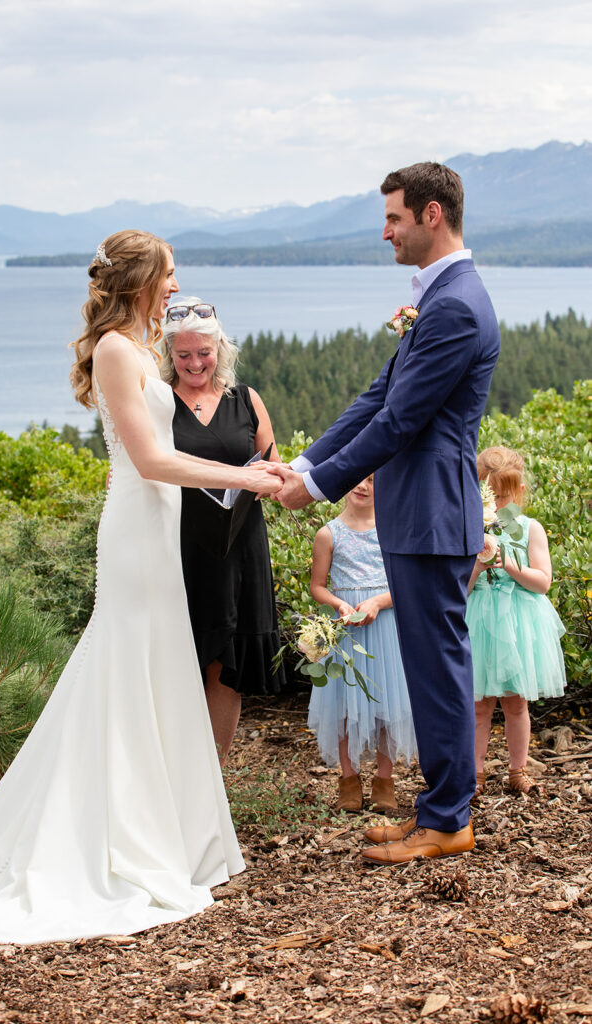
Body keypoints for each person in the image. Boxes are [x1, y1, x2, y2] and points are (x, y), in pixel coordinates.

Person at [0, 230, 280, 946]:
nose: (174, 287)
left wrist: (260, 468)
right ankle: (114, 832)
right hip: (138, 533)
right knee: (125, 664)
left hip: (157, 531)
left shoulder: (140, 352)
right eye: (167, 276)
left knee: (154, 669)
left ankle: (165, 829)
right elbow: (148, 459)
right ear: (141, 279)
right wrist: (245, 477)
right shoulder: (116, 348)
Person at [269, 162, 501, 864]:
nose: (385, 231)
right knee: (431, 668)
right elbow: (375, 399)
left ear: (432, 215)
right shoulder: (440, 298)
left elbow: (400, 421)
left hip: (433, 515)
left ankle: (446, 822)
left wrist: (314, 491)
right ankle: (435, 811)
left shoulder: (456, 305)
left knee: (438, 672)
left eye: (394, 218)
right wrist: (305, 465)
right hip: (418, 513)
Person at [161, 298, 285, 764]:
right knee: (178, 655)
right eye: (184, 355)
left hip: (239, 544)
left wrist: (281, 478)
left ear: (221, 350)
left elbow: (272, 467)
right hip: (179, 545)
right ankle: (174, 769)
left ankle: (213, 770)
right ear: (169, 354)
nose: (195, 363)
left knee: (226, 661)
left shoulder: (246, 400)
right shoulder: (157, 402)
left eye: (204, 353)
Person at [307, 476, 416, 813]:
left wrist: (378, 603)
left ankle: (384, 781)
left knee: (387, 704)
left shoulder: (392, 530)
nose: (364, 486)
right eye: (359, 478)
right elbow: (317, 586)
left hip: (384, 626)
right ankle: (349, 779)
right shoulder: (328, 534)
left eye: (373, 480)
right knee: (341, 706)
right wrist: (339, 604)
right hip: (346, 631)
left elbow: (405, 582)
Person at [467, 446, 566, 799]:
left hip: (518, 623)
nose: (495, 504)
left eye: (503, 495)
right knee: (479, 705)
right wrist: (479, 563)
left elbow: (542, 582)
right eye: (487, 495)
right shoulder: (467, 528)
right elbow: (457, 589)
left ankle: (517, 770)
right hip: (478, 620)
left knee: (516, 702)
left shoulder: (529, 529)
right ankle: (474, 773)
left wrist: (507, 562)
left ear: (520, 492)